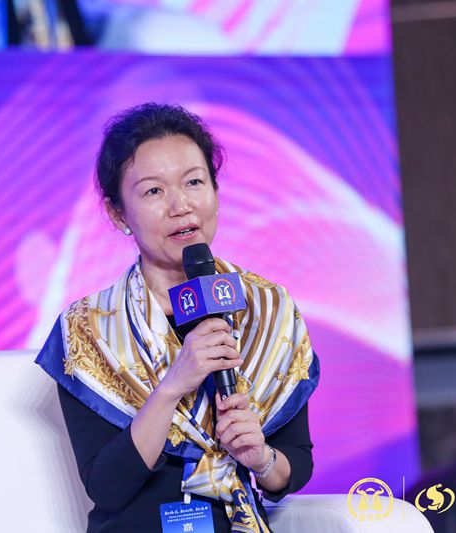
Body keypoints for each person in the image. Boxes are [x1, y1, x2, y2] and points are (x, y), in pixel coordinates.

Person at [35, 103, 319, 532]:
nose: (180, 205)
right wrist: (172, 387)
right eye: (154, 191)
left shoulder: (268, 310)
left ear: (215, 191)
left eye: (194, 182)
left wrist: (260, 457)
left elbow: (294, 465)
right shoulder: (90, 330)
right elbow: (107, 486)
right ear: (118, 213)